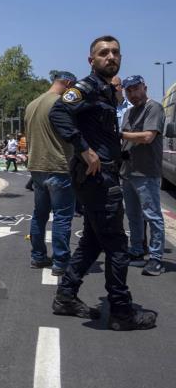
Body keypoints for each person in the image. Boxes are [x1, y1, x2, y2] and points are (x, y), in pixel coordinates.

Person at [49, 35, 156, 330]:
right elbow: (58, 112)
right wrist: (84, 148)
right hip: (98, 179)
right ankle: (121, 312)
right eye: (104, 53)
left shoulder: (107, 90)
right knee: (118, 247)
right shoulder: (86, 87)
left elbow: (101, 130)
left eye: (115, 52)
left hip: (103, 176)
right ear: (91, 60)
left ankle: (66, 296)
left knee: (92, 241)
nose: (111, 57)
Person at [25, 71, 77, 275]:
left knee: (39, 214)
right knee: (62, 216)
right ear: (68, 84)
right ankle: (60, 261)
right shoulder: (62, 103)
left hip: (37, 166)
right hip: (58, 166)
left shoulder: (31, 104)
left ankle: (37, 256)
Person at [119, 75, 166, 276]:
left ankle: (156, 258)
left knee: (152, 216)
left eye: (136, 89)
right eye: (129, 90)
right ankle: (137, 250)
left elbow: (148, 136)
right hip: (128, 172)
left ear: (144, 88)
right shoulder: (128, 112)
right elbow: (125, 141)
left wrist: (120, 135)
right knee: (133, 216)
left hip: (146, 172)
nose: (133, 94)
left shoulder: (153, 108)